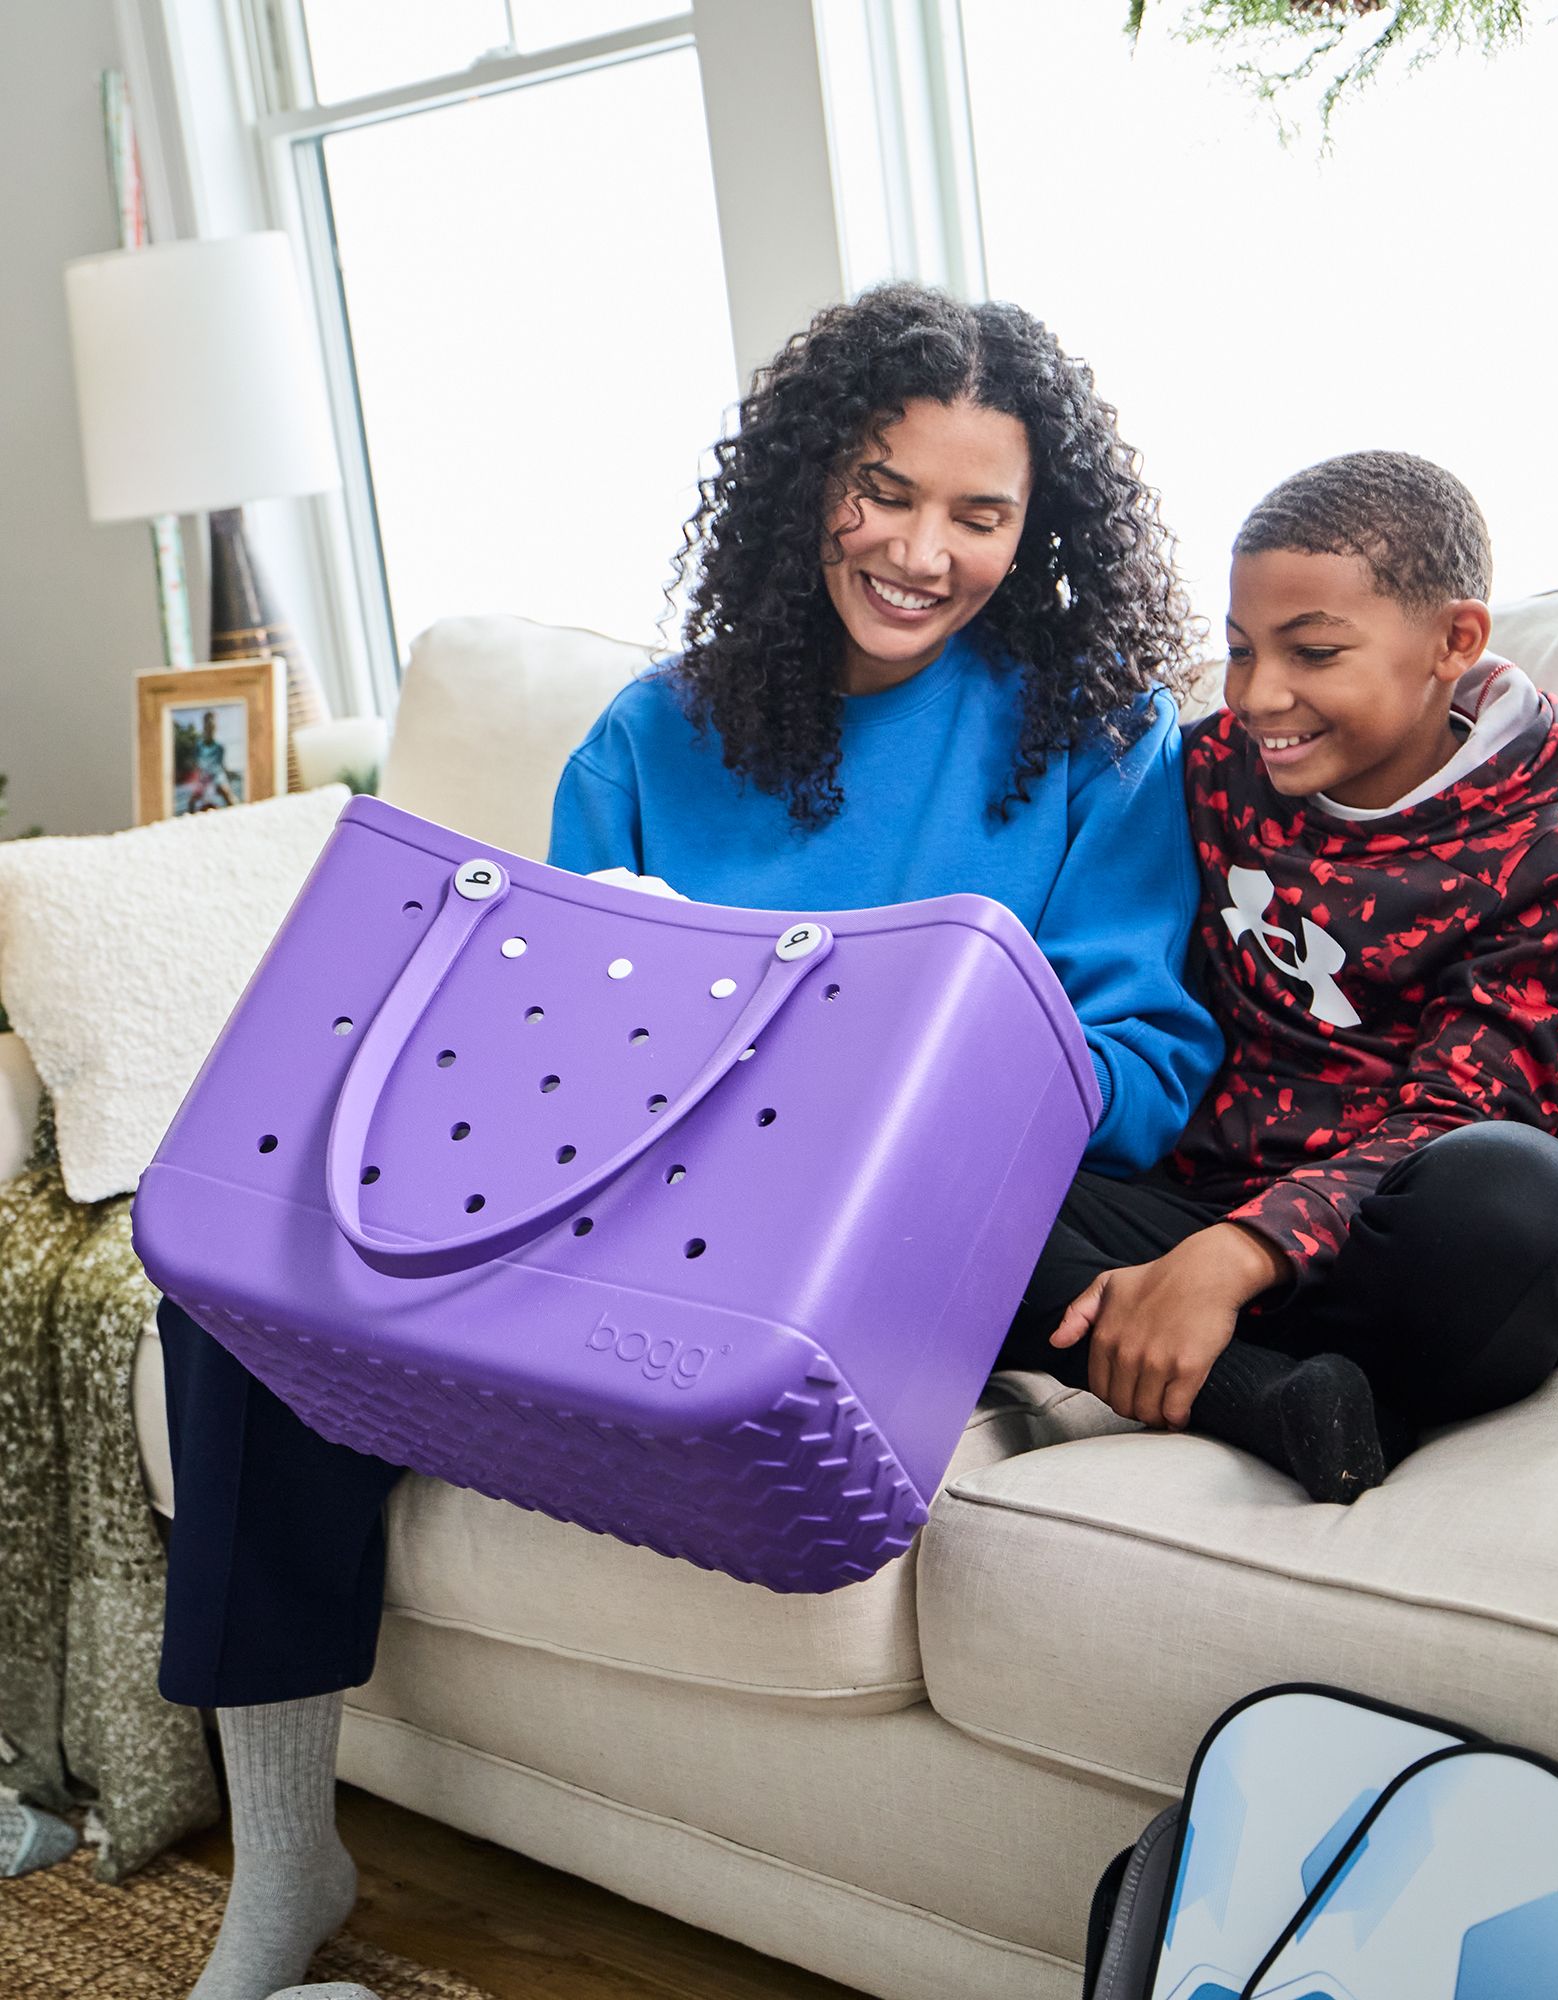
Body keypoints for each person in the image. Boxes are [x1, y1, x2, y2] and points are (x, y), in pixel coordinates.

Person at [153, 283, 1221, 2000]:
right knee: (237, 1289)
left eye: (979, 515)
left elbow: (1151, 1061)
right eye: (884, 489)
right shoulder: (657, 731)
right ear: (810, 483)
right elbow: (537, 1043)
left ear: (1038, 532)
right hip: (630, 1201)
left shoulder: (1096, 731)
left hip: (895, 1216)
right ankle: (286, 1865)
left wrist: (913, 1075)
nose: (921, 552)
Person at [998, 450, 1558, 1502]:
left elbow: (1459, 1112)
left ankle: (1243, 1346)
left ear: (1454, 642)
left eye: (1311, 652)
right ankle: (1263, 1394)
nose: (1258, 694)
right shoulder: (1209, 771)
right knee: (934, 1171)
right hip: (1199, 1210)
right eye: (1238, 649)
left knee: (1521, 1202)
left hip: (1401, 1250)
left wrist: (1241, 1255)